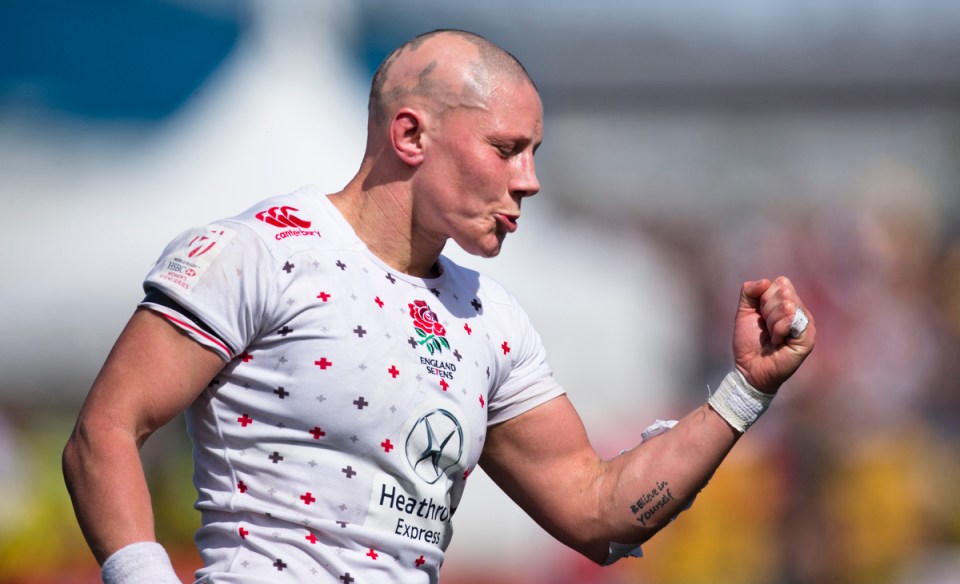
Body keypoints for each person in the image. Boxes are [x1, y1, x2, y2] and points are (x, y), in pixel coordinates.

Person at [62, 29, 815, 584]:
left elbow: (597, 511)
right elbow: (104, 432)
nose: (529, 181)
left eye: (535, 154)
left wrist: (745, 391)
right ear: (411, 134)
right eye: (507, 148)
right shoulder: (261, 252)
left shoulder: (491, 319)